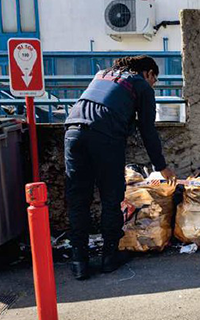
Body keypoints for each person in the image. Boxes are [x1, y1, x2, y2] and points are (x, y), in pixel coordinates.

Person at [64, 55, 176, 280]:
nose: (153, 84)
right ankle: (108, 258)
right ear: (148, 73)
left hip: (73, 131)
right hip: (105, 136)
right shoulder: (141, 85)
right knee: (111, 198)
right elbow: (148, 130)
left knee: (78, 200)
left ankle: (79, 262)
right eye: (155, 79)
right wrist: (161, 166)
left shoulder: (102, 75)